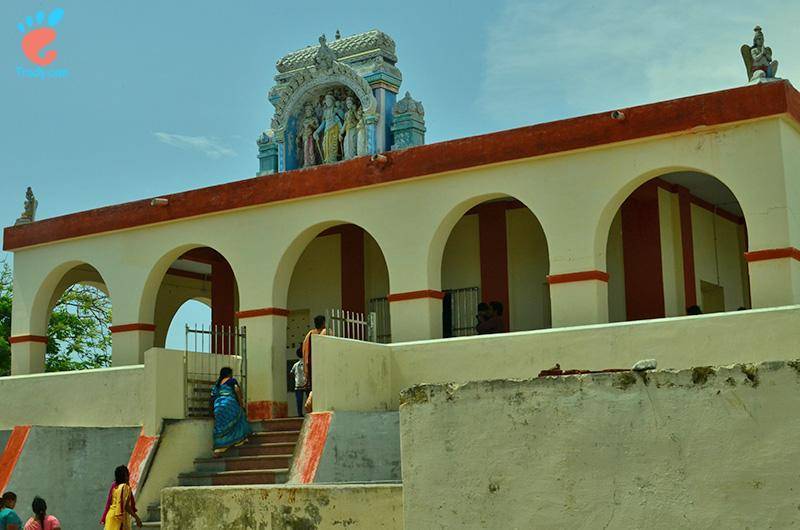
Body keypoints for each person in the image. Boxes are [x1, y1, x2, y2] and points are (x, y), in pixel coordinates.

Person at [210, 366, 251, 457]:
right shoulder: (232, 381)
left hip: (218, 406)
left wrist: (212, 410)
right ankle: (239, 440)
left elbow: (212, 396)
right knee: (240, 415)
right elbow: (237, 391)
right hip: (229, 404)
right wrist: (241, 403)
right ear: (229, 374)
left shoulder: (217, 383)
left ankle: (218, 450)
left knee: (220, 427)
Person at [301, 315, 327, 412]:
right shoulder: (316, 334)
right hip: (316, 366)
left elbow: (305, 351)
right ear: (324, 323)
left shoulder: (310, 334)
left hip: (313, 367)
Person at [290, 346, 307, 417]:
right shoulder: (307, 363)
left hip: (298, 385)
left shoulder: (295, 365)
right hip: (305, 385)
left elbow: (291, 373)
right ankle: (307, 413)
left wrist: (296, 378)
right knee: (308, 401)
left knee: (299, 401)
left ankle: (300, 414)